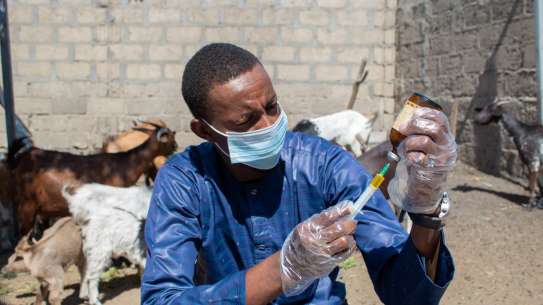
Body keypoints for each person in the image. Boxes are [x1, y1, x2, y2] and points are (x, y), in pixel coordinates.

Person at [141, 43, 456, 305]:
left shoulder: (324, 164)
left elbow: (408, 296)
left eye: (272, 106)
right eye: (245, 121)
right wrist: (284, 268)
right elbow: (162, 299)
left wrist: (426, 210)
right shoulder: (184, 181)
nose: (268, 126)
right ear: (204, 131)